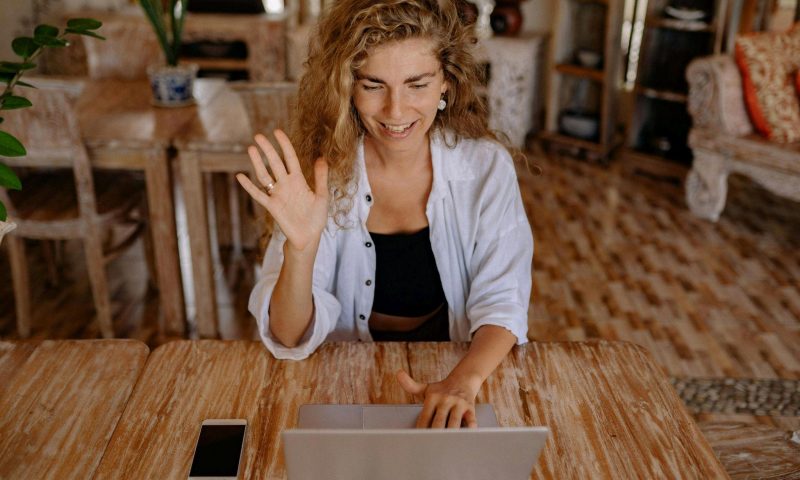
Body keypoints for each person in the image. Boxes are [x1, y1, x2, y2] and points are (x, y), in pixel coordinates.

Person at [236, 0, 533, 429]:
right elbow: (286, 335)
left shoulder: (486, 169)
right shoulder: (322, 176)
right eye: (374, 85)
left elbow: (504, 303)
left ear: (446, 84)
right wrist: (300, 250)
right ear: (347, 89)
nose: (396, 111)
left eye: (417, 84)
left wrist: (461, 383)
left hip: (458, 371)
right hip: (340, 384)